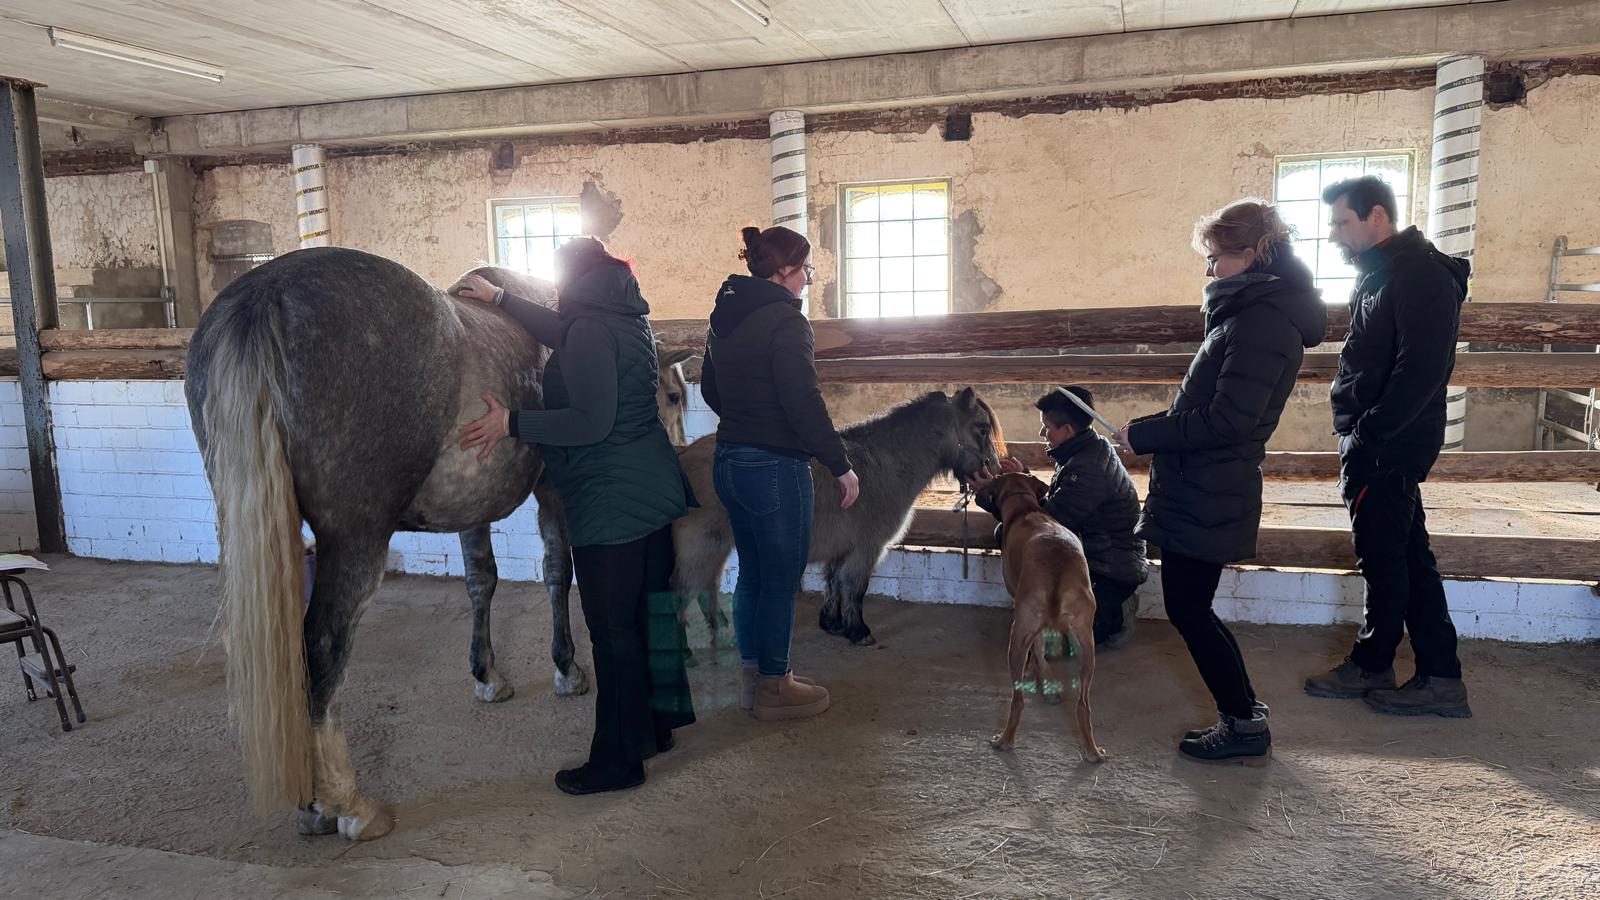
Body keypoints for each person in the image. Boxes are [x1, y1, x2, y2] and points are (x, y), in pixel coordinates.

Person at [453, 237, 697, 795]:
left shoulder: (587, 327)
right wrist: (502, 298)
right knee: (648, 616)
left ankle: (617, 762)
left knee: (612, 633)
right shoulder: (626, 317)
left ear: (570, 279)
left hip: (611, 502)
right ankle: (656, 729)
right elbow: (565, 333)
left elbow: (588, 422)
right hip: (654, 488)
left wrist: (512, 424)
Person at [1116, 199, 1326, 762]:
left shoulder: (1261, 321)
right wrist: (1151, 430)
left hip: (1212, 484)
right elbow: (1215, 405)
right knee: (1192, 607)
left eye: (1216, 258)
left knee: (1189, 608)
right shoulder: (1250, 314)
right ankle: (1244, 715)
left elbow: (1229, 420)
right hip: (1202, 482)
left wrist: (1148, 435)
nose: (1210, 271)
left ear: (1253, 253)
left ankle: (1243, 723)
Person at [1303, 175, 1472, 718]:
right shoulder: (1382, 273)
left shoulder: (1418, 275)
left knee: (1384, 557)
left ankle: (1375, 663)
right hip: (1379, 439)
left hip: (1389, 444)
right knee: (1406, 555)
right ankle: (1440, 676)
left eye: (1341, 222)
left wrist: (1370, 437)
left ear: (1377, 216)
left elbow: (1421, 370)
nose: (1333, 234)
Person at [700, 224, 859, 721]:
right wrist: (840, 464)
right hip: (773, 466)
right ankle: (776, 685)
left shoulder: (723, 316)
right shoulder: (787, 322)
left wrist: (745, 416)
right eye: (807, 270)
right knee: (781, 579)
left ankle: (755, 680)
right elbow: (802, 400)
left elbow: (709, 389)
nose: (808, 281)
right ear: (786, 270)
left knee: (752, 573)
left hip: (730, 459)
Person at [974, 386, 1147, 648]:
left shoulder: (1088, 469)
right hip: (1089, 557)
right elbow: (1055, 504)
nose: (1042, 433)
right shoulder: (1084, 450)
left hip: (1107, 569)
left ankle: (1118, 613)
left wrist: (995, 492)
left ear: (1067, 430)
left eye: (1047, 427)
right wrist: (1024, 477)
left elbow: (1045, 525)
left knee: (1056, 647)